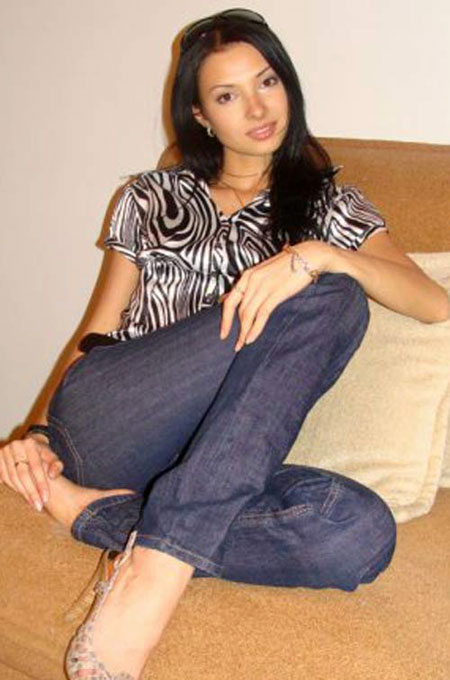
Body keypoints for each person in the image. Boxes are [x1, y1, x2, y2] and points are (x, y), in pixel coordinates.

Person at [1, 8, 449, 680]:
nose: (258, 108)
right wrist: (38, 433)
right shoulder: (151, 196)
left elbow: (434, 303)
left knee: (356, 532)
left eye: (267, 81)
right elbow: (97, 331)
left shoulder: (333, 206)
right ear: (200, 115)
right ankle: (153, 575)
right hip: (116, 418)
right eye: (228, 95)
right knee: (330, 296)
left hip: (216, 463)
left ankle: (100, 517)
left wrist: (320, 254)